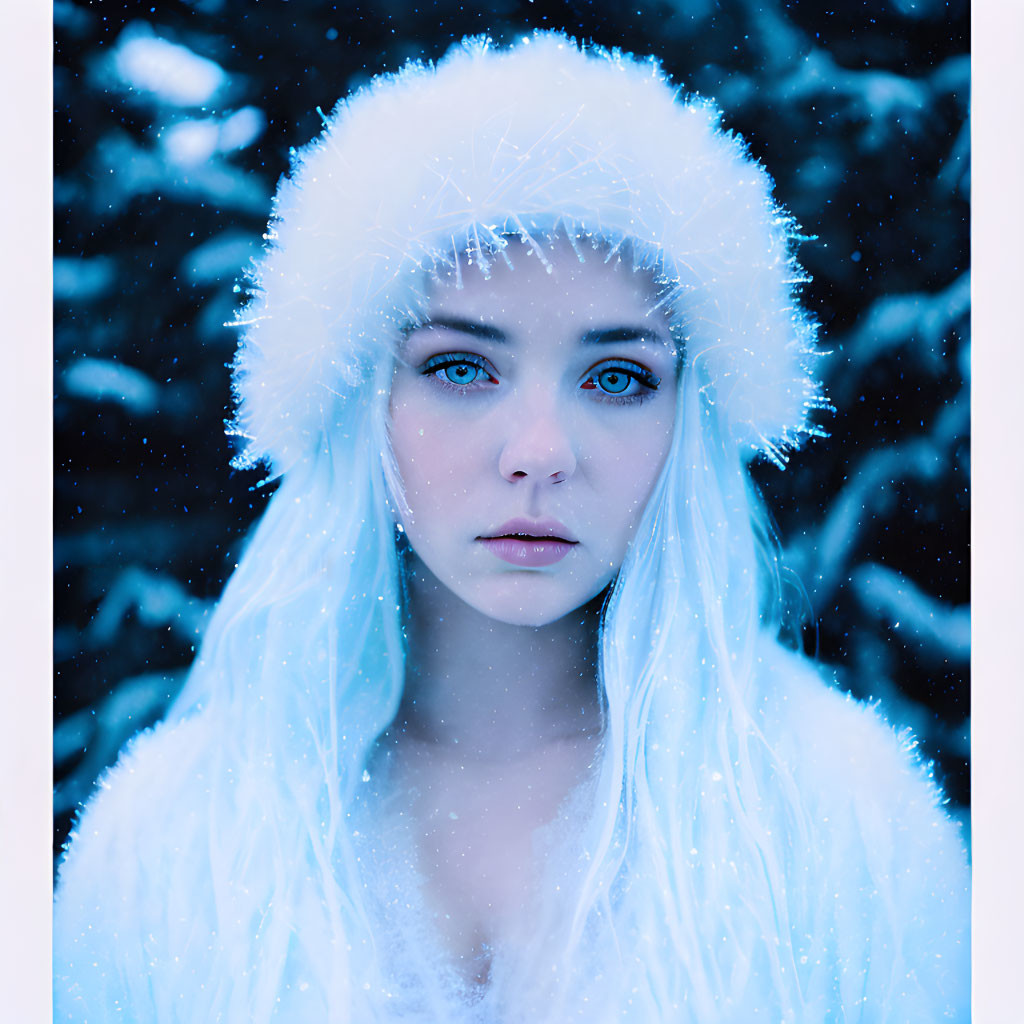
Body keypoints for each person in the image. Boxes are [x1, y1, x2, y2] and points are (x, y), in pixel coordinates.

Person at [54, 32, 970, 1022]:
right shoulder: (168, 846)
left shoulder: (844, 823)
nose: (540, 450)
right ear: (359, 394)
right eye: (460, 366)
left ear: (689, 416)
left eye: (616, 377)